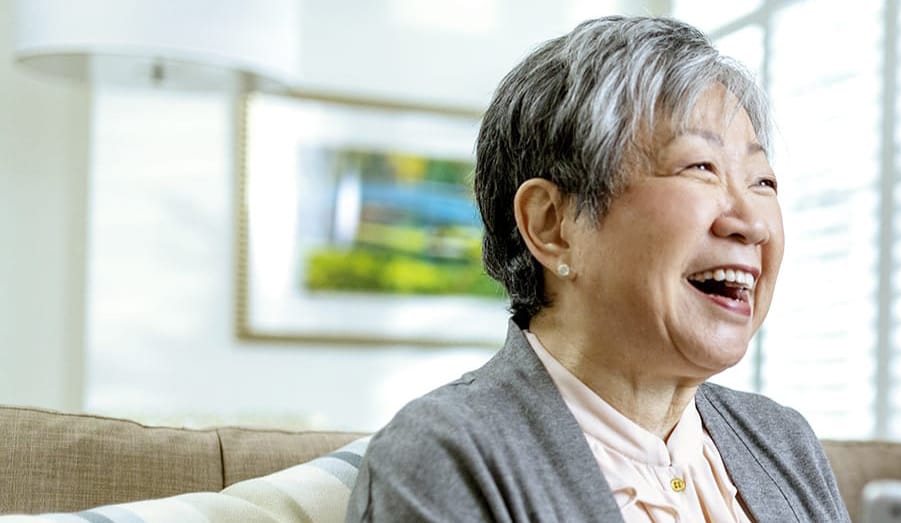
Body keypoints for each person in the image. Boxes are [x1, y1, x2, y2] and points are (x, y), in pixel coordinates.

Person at [348, 16, 850, 522]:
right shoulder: (447, 457)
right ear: (552, 225)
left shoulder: (783, 444)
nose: (753, 225)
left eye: (762, 180)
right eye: (701, 167)